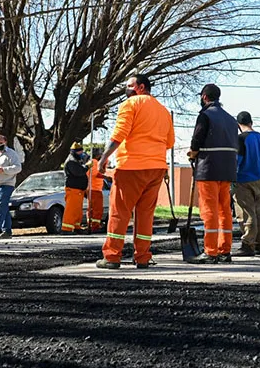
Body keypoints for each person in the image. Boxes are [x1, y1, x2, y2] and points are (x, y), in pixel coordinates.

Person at [96, 74, 175, 269]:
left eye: (129, 85)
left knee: (119, 212)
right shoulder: (163, 110)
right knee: (145, 214)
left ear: (141, 87)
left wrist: (104, 158)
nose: (126, 89)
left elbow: (119, 133)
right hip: (156, 168)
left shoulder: (130, 104)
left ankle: (112, 256)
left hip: (131, 167)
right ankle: (143, 257)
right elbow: (170, 142)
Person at [186, 83, 239, 264]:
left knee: (209, 210)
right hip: (227, 169)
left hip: (209, 168)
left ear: (204, 97)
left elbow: (197, 139)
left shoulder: (205, 115)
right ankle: (225, 250)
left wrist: (193, 153)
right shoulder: (231, 119)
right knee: (225, 210)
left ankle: (210, 251)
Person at [233, 111, 260, 257]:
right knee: (258, 212)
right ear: (251, 122)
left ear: (238, 125)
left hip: (244, 178)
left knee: (246, 212)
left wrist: (231, 176)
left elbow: (237, 160)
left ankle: (248, 244)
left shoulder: (241, 139)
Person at [62, 142, 90, 234]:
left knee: (77, 211)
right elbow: (79, 172)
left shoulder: (76, 160)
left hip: (78, 190)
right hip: (73, 189)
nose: (81, 154)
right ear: (74, 152)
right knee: (71, 210)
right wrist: (87, 166)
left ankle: (76, 226)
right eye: (80, 152)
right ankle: (66, 229)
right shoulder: (71, 161)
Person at [87, 147, 105, 233]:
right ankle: (95, 226)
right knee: (97, 209)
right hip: (95, 189)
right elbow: (95, 174)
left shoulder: (91, 162)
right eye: (101, 154)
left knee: (91, 209)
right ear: (98, 155)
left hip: (92, 188)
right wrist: (107, 176)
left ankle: (91, 225)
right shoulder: (94, 162)